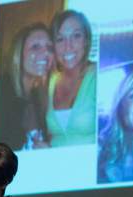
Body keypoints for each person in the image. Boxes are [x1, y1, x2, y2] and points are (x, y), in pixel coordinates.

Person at [0, 23, 54, 150]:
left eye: (49, 47)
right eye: (35, 47)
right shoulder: (0, 92)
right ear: (19, 54)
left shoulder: (38, 98)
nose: (45, 53)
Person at [45, 10, 97, 147]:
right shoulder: (50, 81)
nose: (68, 46)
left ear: (86, 40)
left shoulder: (98, 76)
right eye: (60, 39)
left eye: (76, 36)